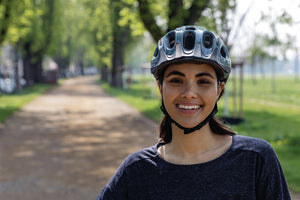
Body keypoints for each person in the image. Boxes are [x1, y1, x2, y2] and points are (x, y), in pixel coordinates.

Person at [96, 25, 291, 200]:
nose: (189, 94)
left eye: (203, 81)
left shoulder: (256, 160)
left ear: (219, 90)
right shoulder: (136, 170)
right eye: (176, 80)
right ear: (160, 87)